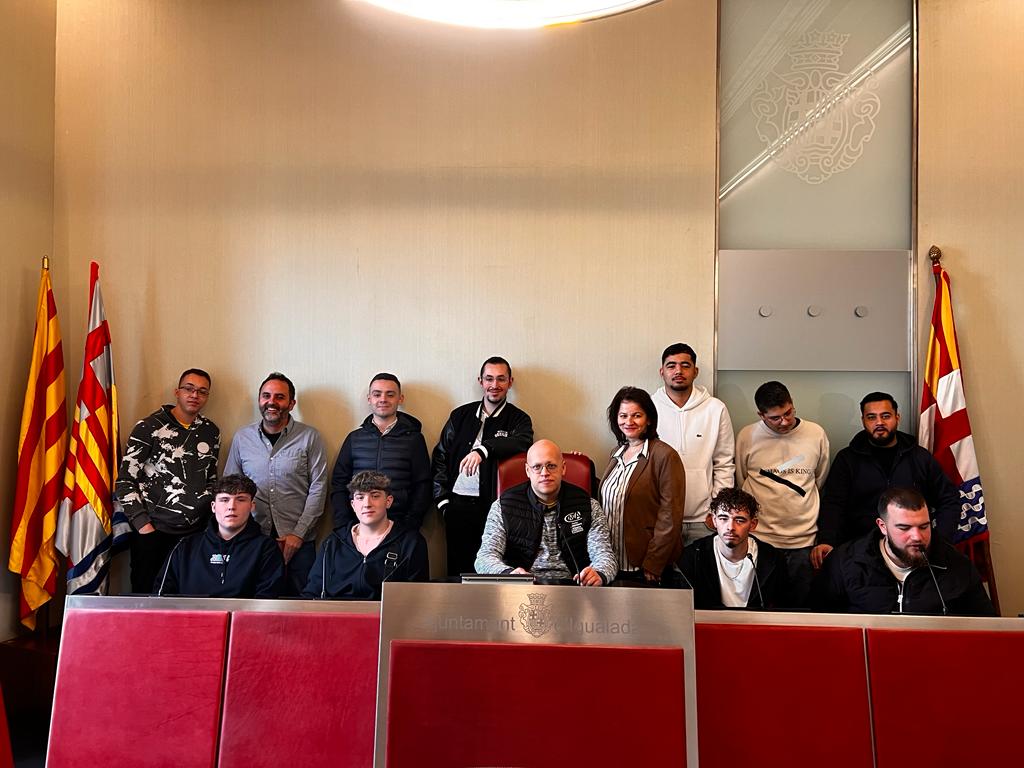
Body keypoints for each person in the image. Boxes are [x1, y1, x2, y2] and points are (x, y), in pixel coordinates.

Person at [816, 392, 960, 562]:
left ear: (897, 417)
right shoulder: (847, 459)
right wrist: (827, 540)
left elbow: (949, 499)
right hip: (860, 554)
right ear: (863, 420)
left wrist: (939, 541)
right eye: (871, 417)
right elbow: (834, 504)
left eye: (886, 416)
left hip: (912, 551)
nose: (879, 422)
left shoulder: (920, 457)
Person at [116, 368, 221, 593]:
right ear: (177, 392)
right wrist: (143, 525)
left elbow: (211, 479)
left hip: (195, 534)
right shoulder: (148, 427)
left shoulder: (211, 432)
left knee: (190, 595)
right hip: (153, 531)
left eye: (202, 391)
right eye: (189, 389)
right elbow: (125, 481)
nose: (195, 395)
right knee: (147, 594)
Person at [811, 487, 995, 616]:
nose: (917, 536)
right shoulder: (844, 562)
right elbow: (821, 627)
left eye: (924, 527)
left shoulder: (957, 565)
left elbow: (985, 629)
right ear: (882, 526)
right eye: (904, 528)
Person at [223, 372, 328, 596]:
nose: (272, 402)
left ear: (291, 403)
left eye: (280, 397)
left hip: (299, 541)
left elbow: (318, 488)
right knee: (253, 602)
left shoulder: (310, 437)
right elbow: (229, 488)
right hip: (251, 540)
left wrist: (298, 534)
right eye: (266, 396)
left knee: (301, 603)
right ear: (259, 400)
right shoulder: (242, 438)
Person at [431, 356, 534, 576]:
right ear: (480, 381)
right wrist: (443, 501)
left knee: (494, 571)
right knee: (459, 572)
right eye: (489, 379)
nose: (494, 385)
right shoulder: (460, 415)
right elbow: (441, 456)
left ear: (510, 382)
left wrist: (483, 450)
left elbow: (522, 442)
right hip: (457, 506)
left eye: (501, 379)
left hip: (496, 507)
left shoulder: (519, 419)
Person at [734, 381, 829, 607]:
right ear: (761, 415)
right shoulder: (747, 436)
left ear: (792, 404)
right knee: (759, 606)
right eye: (775, 418)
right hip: (759, 538)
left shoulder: (815, 433)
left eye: (788, 413)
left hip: (803, 539)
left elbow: (820, 479)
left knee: (801, 608)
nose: (784, 421)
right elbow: (741, 480)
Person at [475, 439, 617, 585]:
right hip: (521, 588)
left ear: (563, 468)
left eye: (551, 466)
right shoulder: (503, 506)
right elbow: (484, 558)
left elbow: (605, 556)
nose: (544, 473)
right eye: (537, 467)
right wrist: (508, 574)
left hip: (575, 587)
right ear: (527, 471)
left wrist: (599, 573)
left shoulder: (589, 505)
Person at [600, 386, 685, 585]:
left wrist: (654, 562)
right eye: (623, 416)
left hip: (644, 566)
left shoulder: (665, 455)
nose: (628, 422)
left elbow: (671, 515)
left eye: (636, 415)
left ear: (649, 419)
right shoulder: (616, 453)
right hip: (611, 562)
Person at [653, 342, 735, 545]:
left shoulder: (715, 409)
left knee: (702, 567)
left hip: (704, 520)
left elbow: (724, 463)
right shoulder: (649, 408)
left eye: (685, 365)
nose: (678, 371)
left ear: (695, 371)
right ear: (662, 372)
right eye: (671, 366)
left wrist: (718, 511)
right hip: (661, 518)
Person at [154, 474, 285, 598]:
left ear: (252, 506)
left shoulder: (266, 548)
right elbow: (162, 597)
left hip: (243, 615)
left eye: (240, 500)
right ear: (213, 506)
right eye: (224, 500)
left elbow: (267, 600)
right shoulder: (185, 547)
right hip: (190, 615)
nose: (231, 507)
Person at [303, 471, 429, 599]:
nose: (367, 504)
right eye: (360, 497)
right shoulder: (332, 543)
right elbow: (312, 592)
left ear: (388, 501)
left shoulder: (411, 543)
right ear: (353, 505)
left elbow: (417, 598)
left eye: (375, 496)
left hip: (387, 612)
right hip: (337, 611)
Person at [330, 373, 430, 531]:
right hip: (357, 526)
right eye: (377, 394)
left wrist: (411, 523)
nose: (383, 399)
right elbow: (339, 483)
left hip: (400, 526)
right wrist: (344, 524)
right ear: (369, 398)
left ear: (400, 399)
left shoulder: (414, 439)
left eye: (390, 394)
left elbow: (423, 485)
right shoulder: (354, 438)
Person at [679, 488, 790, 609]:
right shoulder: (693, 556)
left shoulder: (773, 559)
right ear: (714, 521)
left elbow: (782, 608)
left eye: (739, 520)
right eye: (723, 518)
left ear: (753, 524)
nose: (730, 527)